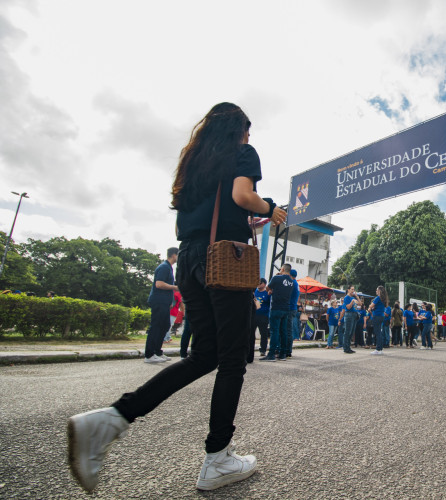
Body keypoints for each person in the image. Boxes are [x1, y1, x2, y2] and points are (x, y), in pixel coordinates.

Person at [66, 103, 286, 493]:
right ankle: (217, 458)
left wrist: (243, 215)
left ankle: (115, 417)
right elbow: (241, 194)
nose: (250, 139)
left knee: (205, 354)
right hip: (224, 261)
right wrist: (271, 208)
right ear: (237, 130)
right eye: (247, 131)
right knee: (233, 360)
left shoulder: (194, 162)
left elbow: (203, 215)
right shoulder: (243, 152)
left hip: (189, 260)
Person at [143, 247, 179, 363]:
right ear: (174, 255)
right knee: (156, 326)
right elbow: (159, 284)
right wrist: (175, 287)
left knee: (164, 326)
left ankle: (157, 351)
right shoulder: (164, 267)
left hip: (164, 302)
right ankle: (149, 354)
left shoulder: (168, 268)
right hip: (158, 300)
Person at [261, 264, 295, 362]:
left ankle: (271, 354)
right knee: (283, 331)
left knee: (274, 331)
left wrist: (271, 291)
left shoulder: (276, 278)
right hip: (286, 308)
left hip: (276, 307)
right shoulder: (292, 282)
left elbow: (268, 288)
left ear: (283, 269)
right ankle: (282, 354)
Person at [341, 285, 361, 354]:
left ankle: (348, 347)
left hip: (354, 315)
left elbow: (360, 304)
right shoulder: (346, 298)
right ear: (348, 290)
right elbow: (348, 307)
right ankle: (346, 348)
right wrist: (352, 301)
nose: (353, 291)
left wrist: (357, 297)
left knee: (352, 332)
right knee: (347, 332)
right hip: (349, 314)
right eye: (352, 289)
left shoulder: (353, 297)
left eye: (354, 289)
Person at [253, 278, 270, 358]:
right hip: (254, 315)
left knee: (263, 333)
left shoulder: (267, 293)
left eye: (259, 283)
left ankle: (263, 350)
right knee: (251, 333)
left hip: (264, 316)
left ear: (264, 284)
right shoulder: (255, 292)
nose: (258, 285)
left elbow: (270, 304)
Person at [368, 285, 388, 355]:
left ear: (379, 291)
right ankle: (380, 349)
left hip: (377, 316)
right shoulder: (384, 299)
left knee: (377, 333)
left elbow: (371, 306)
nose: (376, 291)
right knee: (379, 332)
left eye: (377, 290)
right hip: (381, 316)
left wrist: (370, 307)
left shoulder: (377, 298)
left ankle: (378, 349)